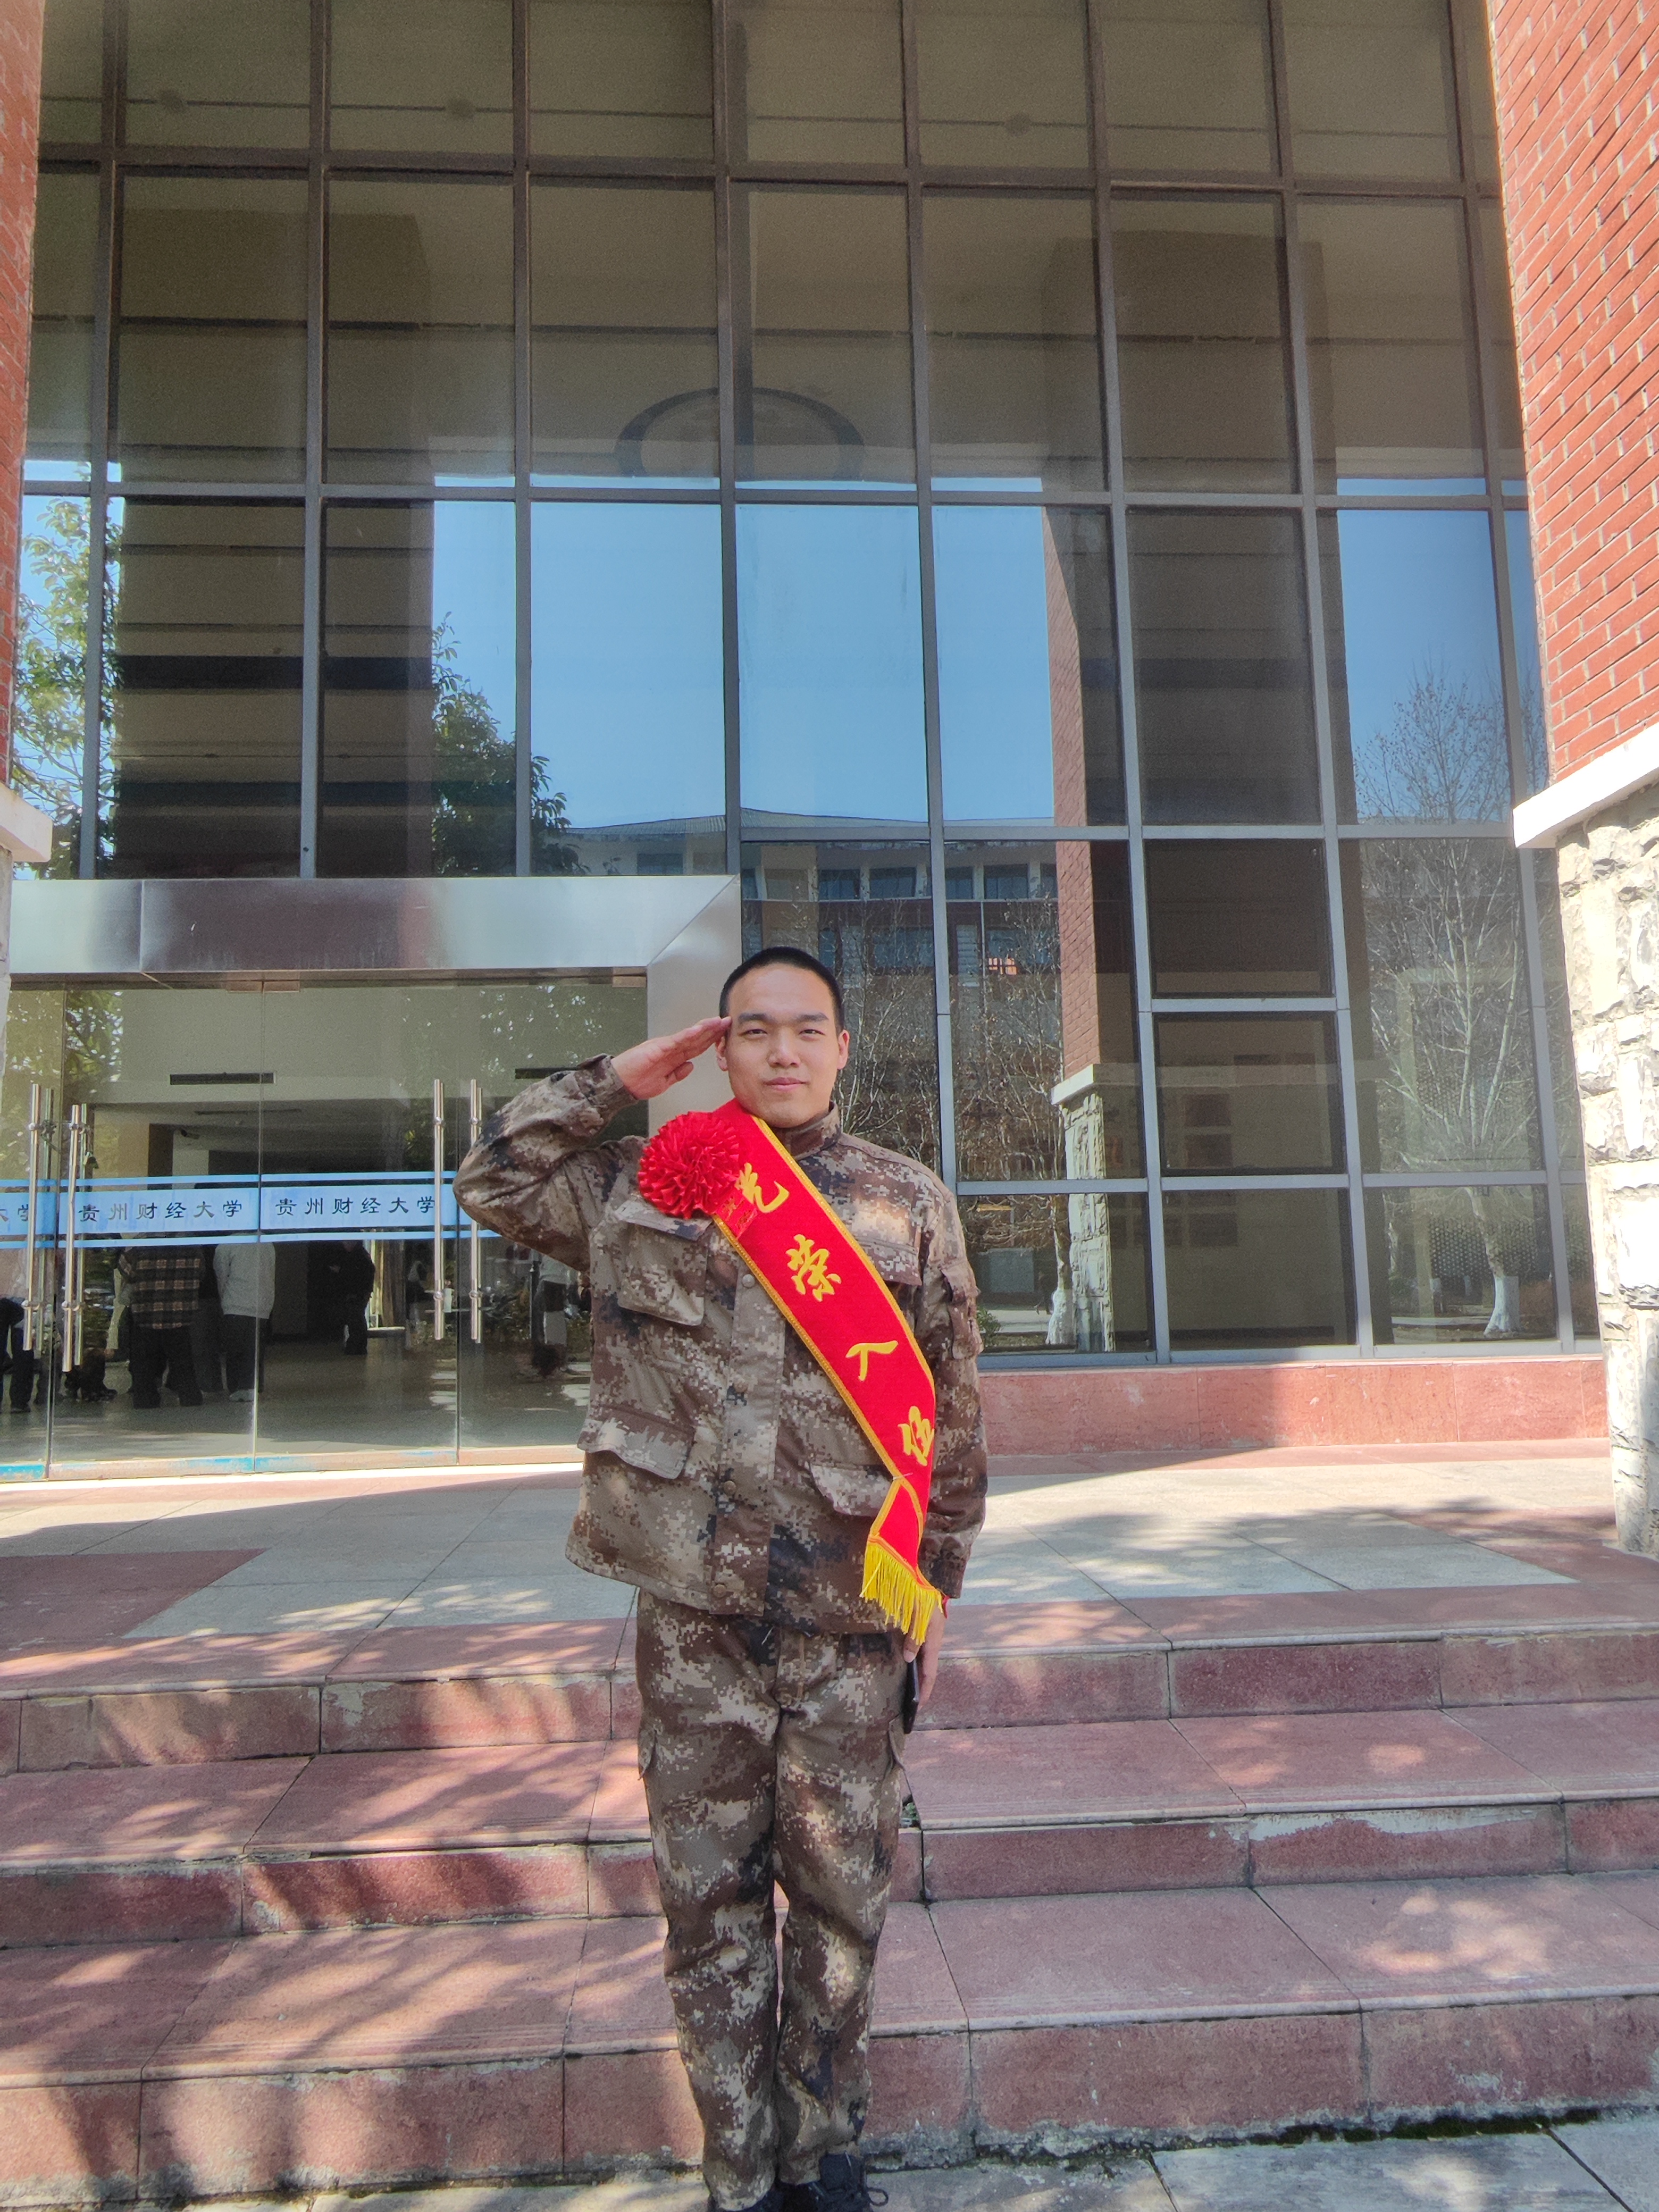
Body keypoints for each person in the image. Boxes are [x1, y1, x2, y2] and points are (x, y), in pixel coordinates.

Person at [456, 946, 986, 2212]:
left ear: (842, 1046)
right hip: (694, 1618)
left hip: (847, 1615)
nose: (783, 1051)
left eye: (807, 1029)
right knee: (708, 1905)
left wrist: (937, 1587)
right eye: (754, 1029)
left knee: (842, 1901)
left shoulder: (906, 1199)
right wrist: (620, 1079)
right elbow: (491, 1177)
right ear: (722, 1046)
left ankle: (823, 2150)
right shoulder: (646, 1181)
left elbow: (953, 1410)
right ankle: (740, 2169)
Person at [118, 1243, 204, 1409]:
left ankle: (145, 1399)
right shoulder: (192, 1248)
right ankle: (190, 1397)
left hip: (146, 1313)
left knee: (144, 1363)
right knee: (183, 1360)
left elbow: (126, 1272)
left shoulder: (139, 1248)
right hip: (180, 1313)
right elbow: (201, 1274)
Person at [215, 1239, 276, 1402]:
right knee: (255, 1349)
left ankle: (237, 1388)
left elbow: (221, 1276)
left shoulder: (226, 1245)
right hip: (262, 1303)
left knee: (235, 1349)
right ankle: (252, 1386)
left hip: (235, 1303)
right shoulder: (267, 1244)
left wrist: (224, 1299)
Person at [323, 1241, 377, 1355]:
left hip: (358, 1293)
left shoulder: (360, 1257)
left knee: (356, 1319)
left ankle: (357, 1346)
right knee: (355, 1320)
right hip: (358, 1292)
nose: (344, 1245)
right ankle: (356, 1345)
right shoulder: (358, 1255)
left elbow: (359, 1274)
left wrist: (341, 1271)